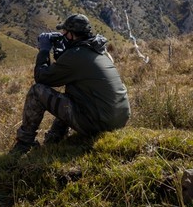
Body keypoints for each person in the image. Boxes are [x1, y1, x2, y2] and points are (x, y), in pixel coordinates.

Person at [11, 13, 130, 154]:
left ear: (72, 35)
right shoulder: (98, 50)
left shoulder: (76, 55)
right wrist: (63, 54)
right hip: (119, 119)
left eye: (65, 34)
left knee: (37, 92)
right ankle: (55, 137)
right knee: (74, 92)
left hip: (98, 123)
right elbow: (77, 71)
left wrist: (44, 50)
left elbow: (42, 78)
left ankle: (24, 144)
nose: (63, 37)